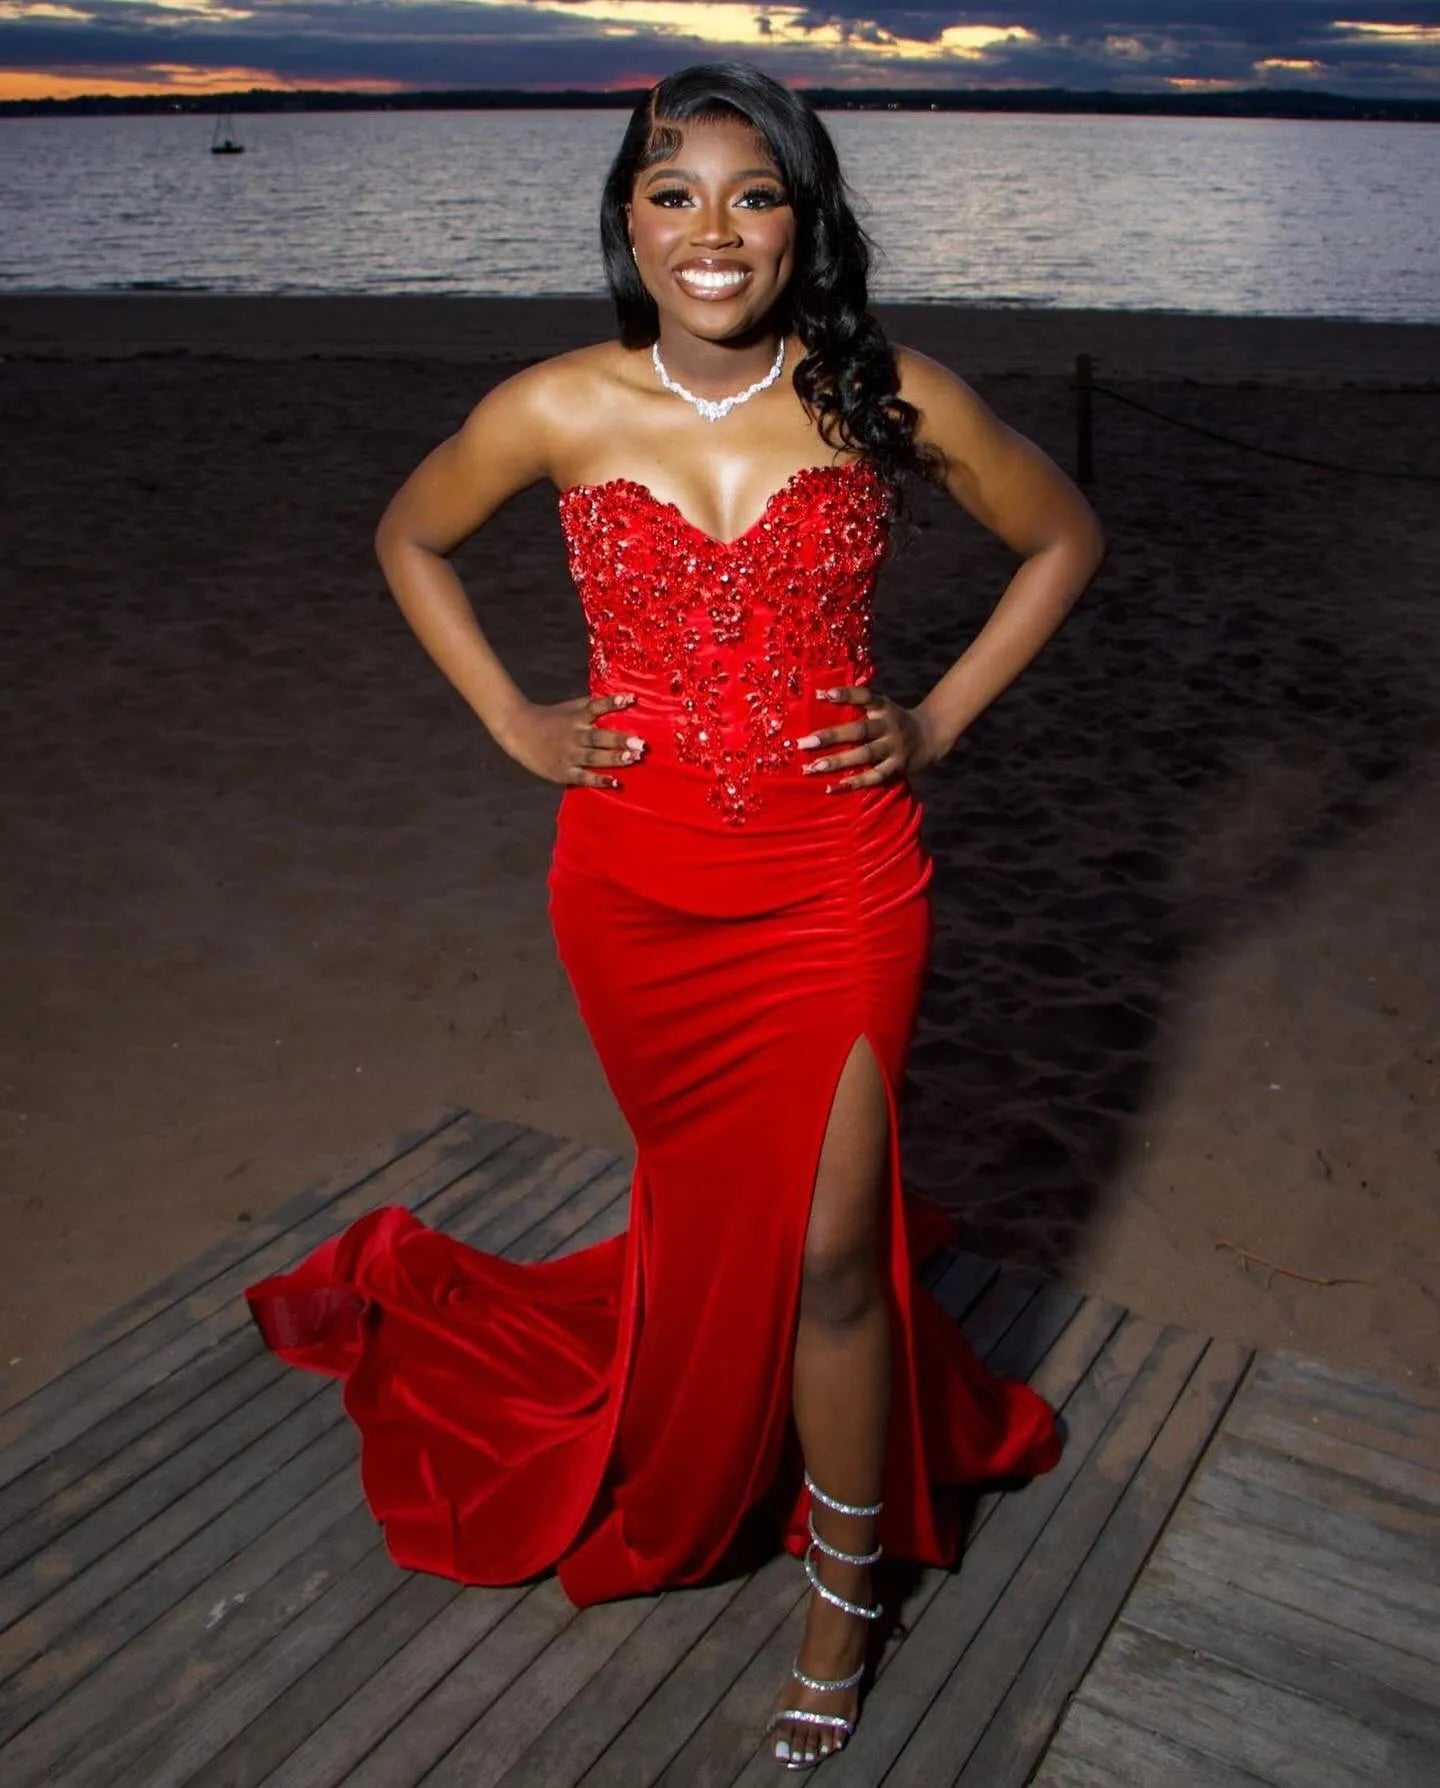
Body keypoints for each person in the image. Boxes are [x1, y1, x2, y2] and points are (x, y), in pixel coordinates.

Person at [244, 60, 1105, 1773]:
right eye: (674, 193)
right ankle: (712, 1430)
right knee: (721, 1217)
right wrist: (515, 720)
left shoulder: (886, 396)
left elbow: (1061, 537)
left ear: (804, 220)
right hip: (633, 897)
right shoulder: (557, 405)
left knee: (835, 1251)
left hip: (841, 881)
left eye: (754, 193)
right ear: (628, 224)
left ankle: (844, 1596)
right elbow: (410, 537)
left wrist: (935, 720)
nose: (714, 230)